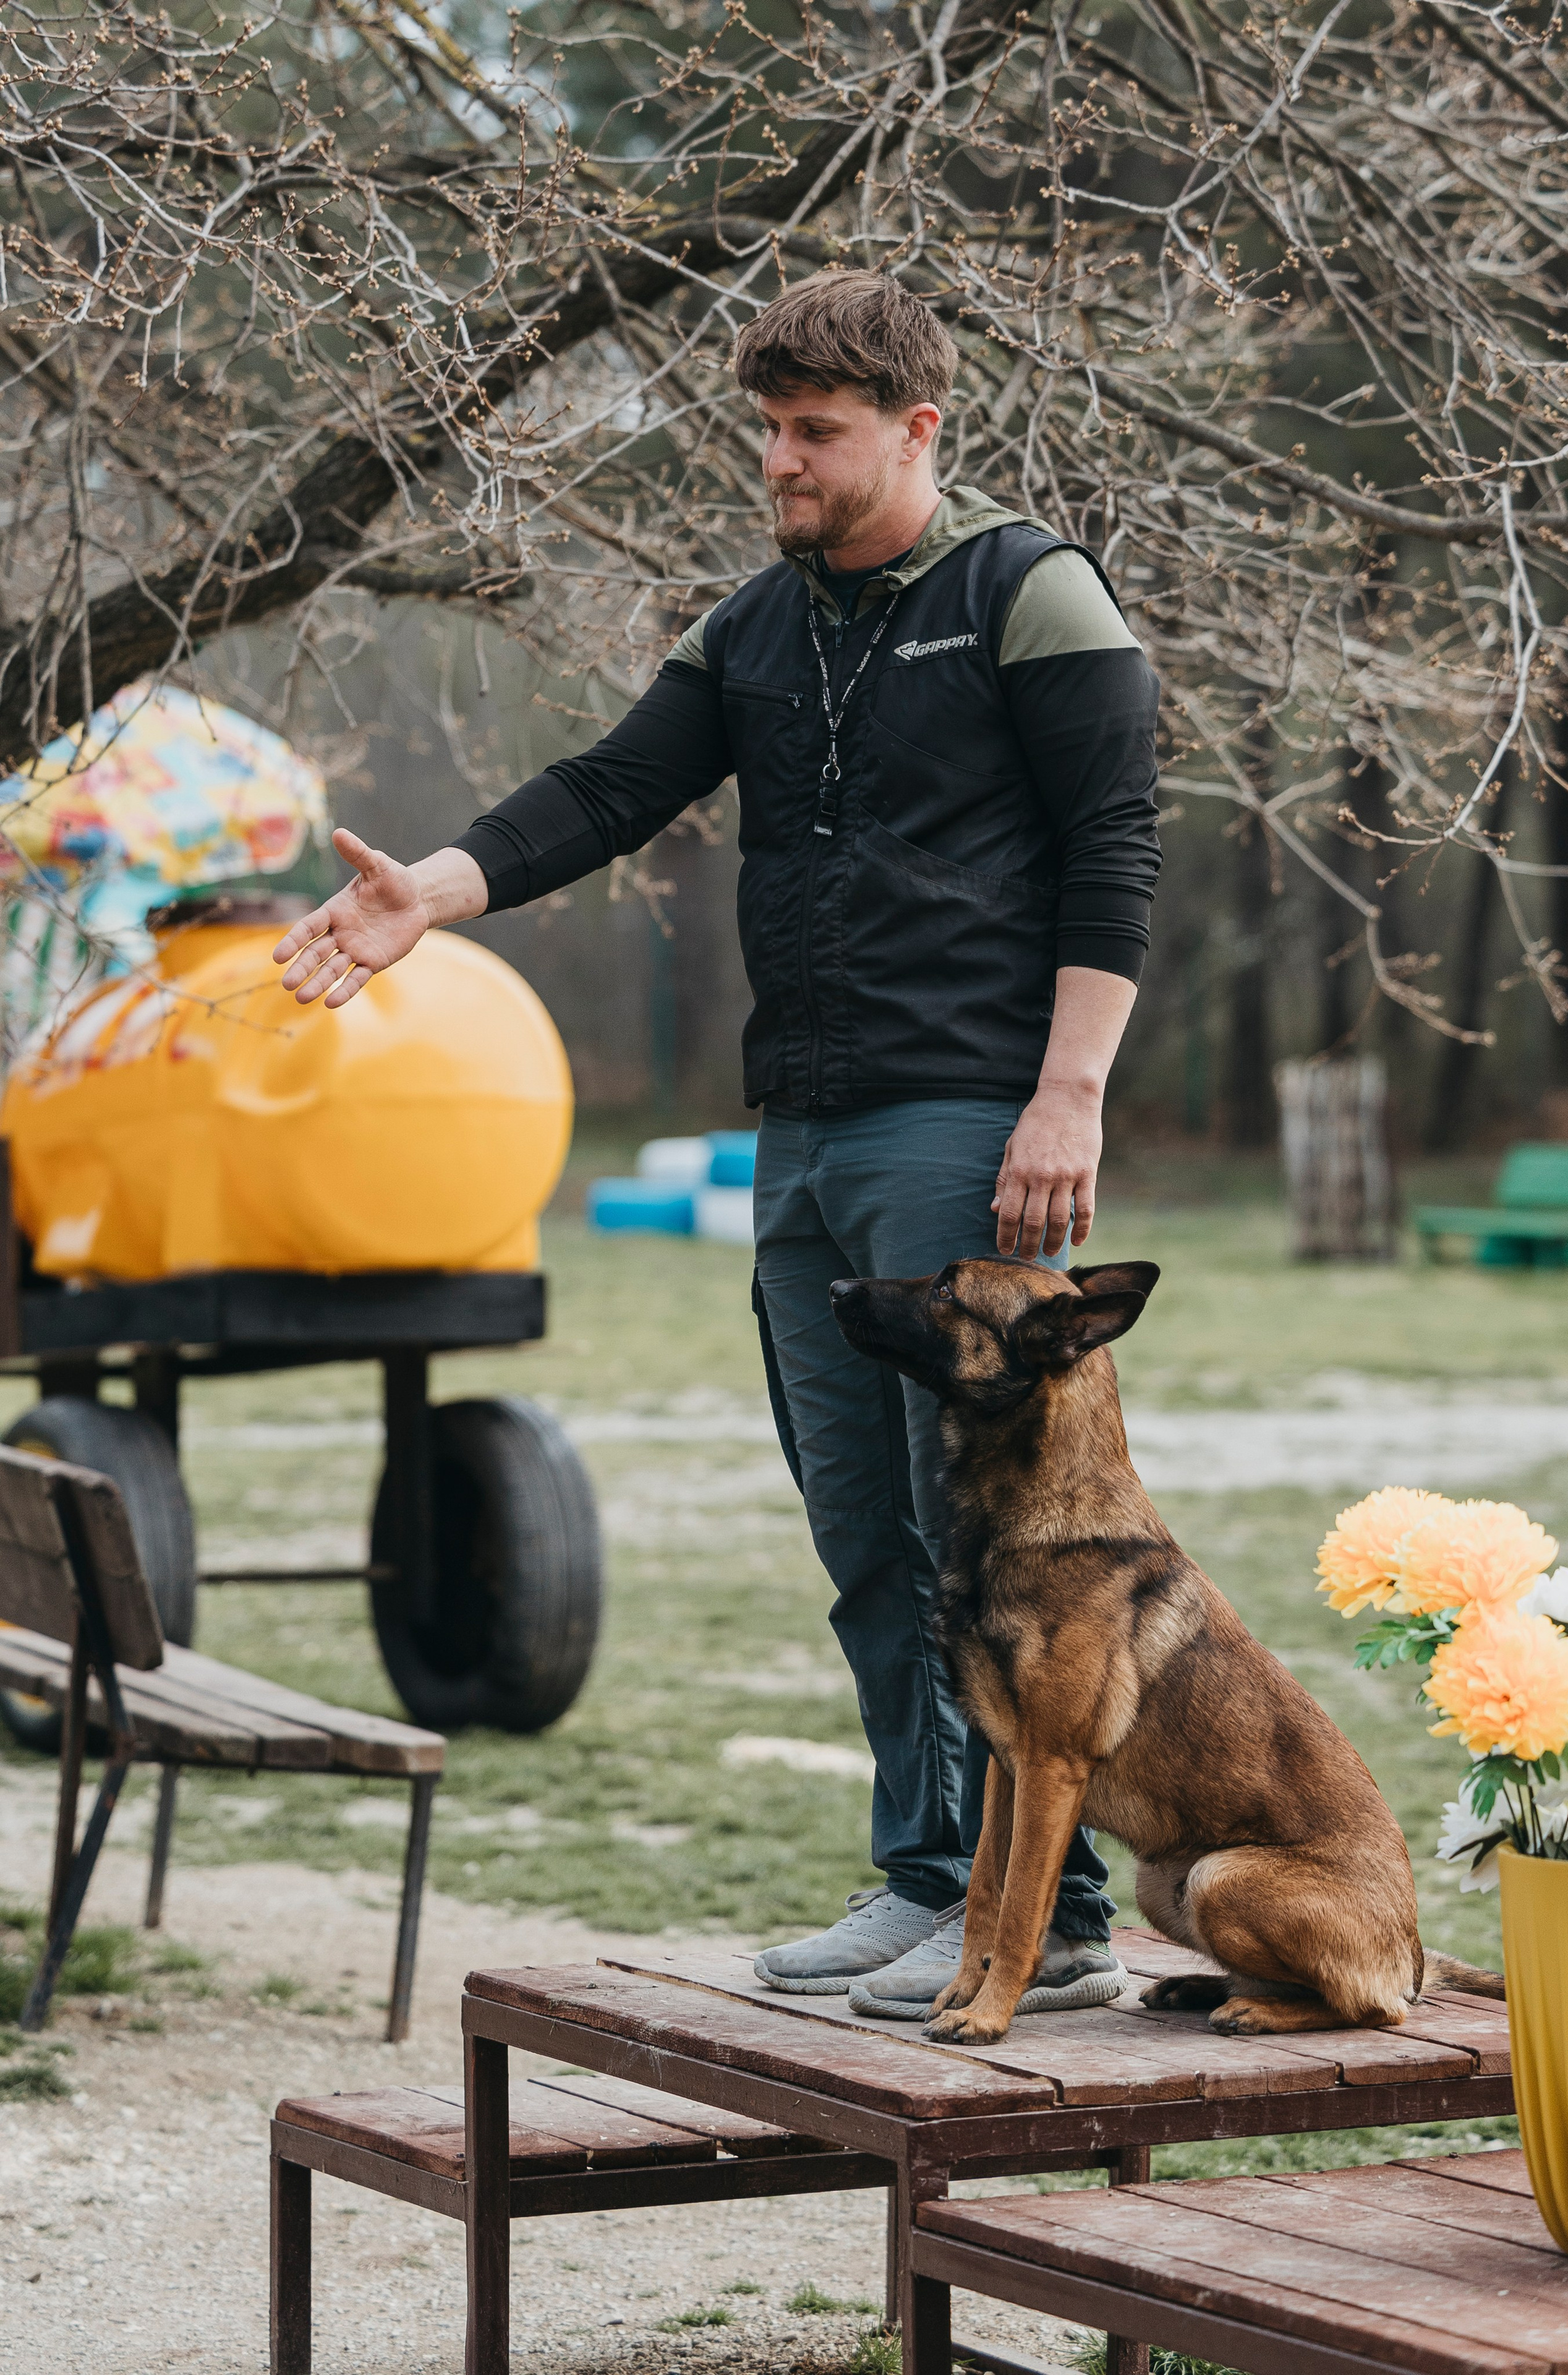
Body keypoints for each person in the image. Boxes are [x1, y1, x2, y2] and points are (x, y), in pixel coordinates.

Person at [275, 271, 1162, 2021]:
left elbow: (1114, 847)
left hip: (965, 1118)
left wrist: (1071, 1090)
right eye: (768, 431)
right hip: (805, 1129)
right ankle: (925, 1878)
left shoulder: (1028, 592)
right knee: (861, 1529)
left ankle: (1045, 1922)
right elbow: (611, 788)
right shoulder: (757, 626)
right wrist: (435, 898)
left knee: (977, 1535)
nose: (784, 463)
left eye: (816, 434)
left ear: (919, 428)